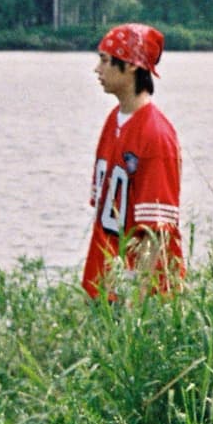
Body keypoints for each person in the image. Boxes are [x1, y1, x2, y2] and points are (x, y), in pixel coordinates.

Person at [84, 23, 183, 298]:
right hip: (106, 281)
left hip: (137, 292)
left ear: (130, 65)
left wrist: (136, 304)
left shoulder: (155, 134)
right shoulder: (113, 121)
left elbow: (156, 232)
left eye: (105, 60)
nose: (97, 69)